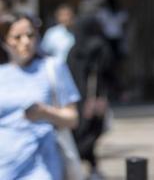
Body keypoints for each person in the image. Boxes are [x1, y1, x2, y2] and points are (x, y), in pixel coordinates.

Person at [0, 13, 80, 179]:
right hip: (5, 166)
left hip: (41, 165)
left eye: (30, 35)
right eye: (17, 37)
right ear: (5, 41)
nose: (26, 42)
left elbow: (72, 118)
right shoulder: (2, 73)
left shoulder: (52, 68)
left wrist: (46, 112)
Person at [67, 14, 113, 180]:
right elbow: (107, 72)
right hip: (95, 98)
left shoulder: (74, 49)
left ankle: (83, 165)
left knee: (79, 131)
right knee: (92, 131)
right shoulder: (101, 46)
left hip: (76, 98)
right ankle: (90, 166)